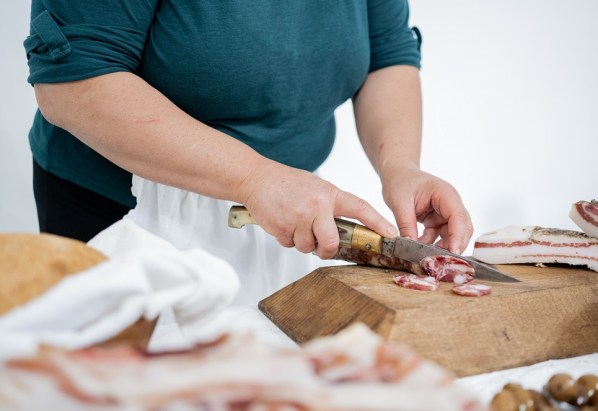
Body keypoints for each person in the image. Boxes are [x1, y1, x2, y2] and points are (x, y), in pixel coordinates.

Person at [24, 1, 473, 302]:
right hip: (121, 208)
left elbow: (386, 52)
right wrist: (255, 179)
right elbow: (73, 84)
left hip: (287, 207)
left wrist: (400, 165)